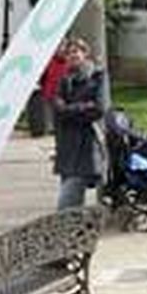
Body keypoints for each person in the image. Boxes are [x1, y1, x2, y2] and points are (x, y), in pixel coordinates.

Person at [53, 39, 109, 209]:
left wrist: (69, 109)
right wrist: (83, 107)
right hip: (66, 144)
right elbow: (57, 108)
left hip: (88, 143)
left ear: (85, 54)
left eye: (77, 51)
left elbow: (100, 108)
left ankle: (70, 230)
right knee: (71, 201)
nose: (73, 55)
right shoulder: (64, 80)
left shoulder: (98, 76)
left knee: (67, 203)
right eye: (69, 53)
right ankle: (74, 230)